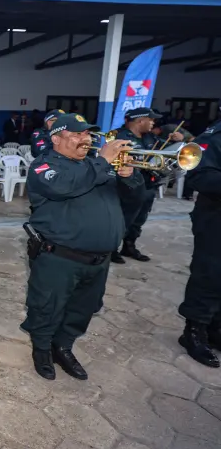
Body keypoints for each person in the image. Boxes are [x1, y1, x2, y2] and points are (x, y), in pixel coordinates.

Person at [21, 113, 144, 381]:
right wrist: (103, 161)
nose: (85, 139)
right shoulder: (44, 166)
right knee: (47, 308)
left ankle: (63, 346)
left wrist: (129, 177)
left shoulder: (96, 165)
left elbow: (134, 200)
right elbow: (65, 187)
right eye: (77, 134)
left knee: (83, 309)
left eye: (87, 133)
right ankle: (42, 350)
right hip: (59, 257)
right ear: (56, 138)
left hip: (98, 259)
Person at [177, 117, 221, 368]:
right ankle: (194, 332)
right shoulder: (213, 137)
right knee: (209, 275)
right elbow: (199, 176)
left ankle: (215, 328)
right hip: (215, 219)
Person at [113, 107, 183, 264]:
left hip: (148, 184)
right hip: (128, 187)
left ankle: (129, 246)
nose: (153, 123)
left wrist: (175, 141)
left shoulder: (150, 137)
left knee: (140, 218)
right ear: (140, 120)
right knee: (123, 218)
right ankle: (112, 249)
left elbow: (164, 152)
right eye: (151, 120)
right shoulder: (119, 136)